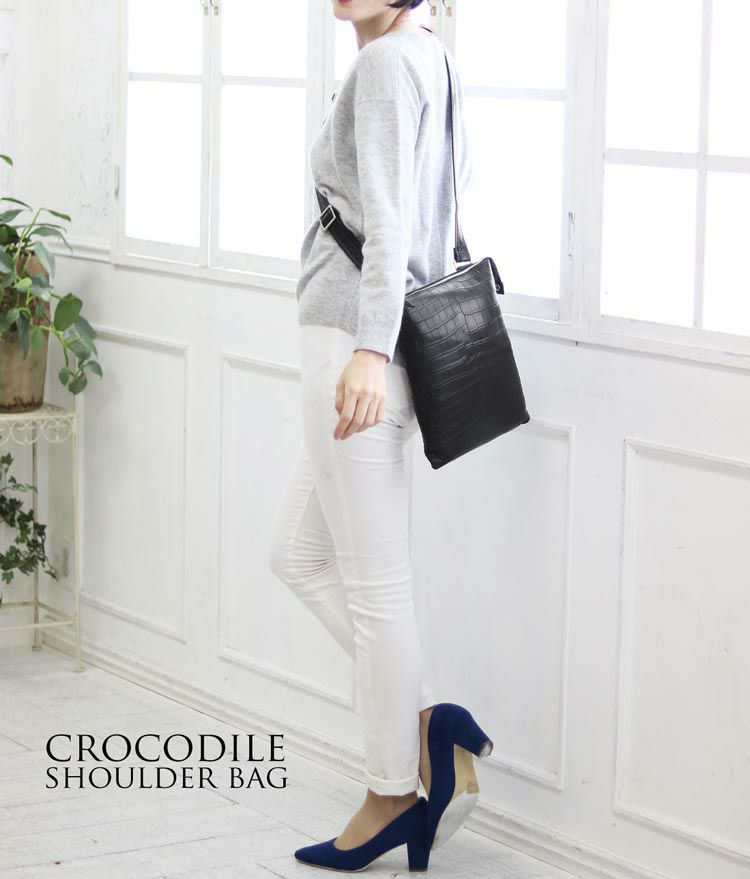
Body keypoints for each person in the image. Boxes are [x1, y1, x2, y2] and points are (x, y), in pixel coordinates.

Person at [268, 0, 492, 871]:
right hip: (379, 347)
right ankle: (432, 722)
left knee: (376, 588)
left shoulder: (386, 64)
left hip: (355, 347)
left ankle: (392, 791)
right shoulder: (430, 56)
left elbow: (394, 224)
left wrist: (367, 348)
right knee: (296, 554)